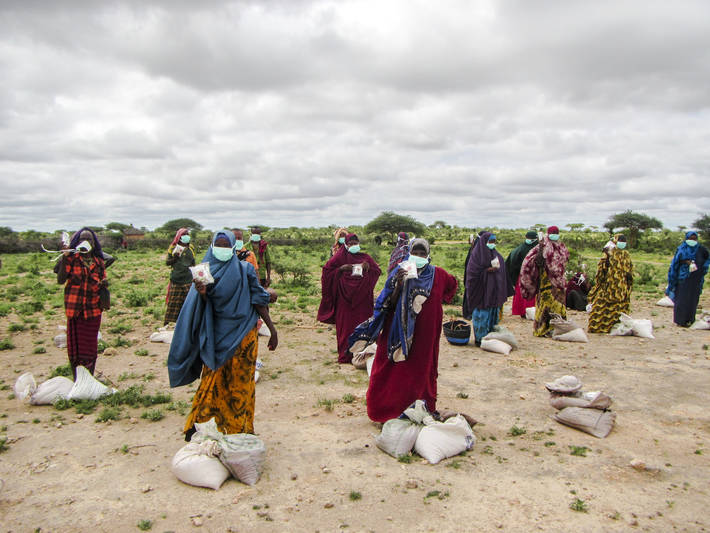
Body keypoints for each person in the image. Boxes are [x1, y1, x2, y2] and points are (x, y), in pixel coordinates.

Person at [168, 230, 278, 440]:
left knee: (241, 384)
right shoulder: (203, 272)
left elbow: (258, 300)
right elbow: (195, 308)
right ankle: (199, 425)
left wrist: (272, 330)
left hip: (244, 336)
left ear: (233, 248)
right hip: (215, 336)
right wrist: (202, 294)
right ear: (211, 246)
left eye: (227, 246)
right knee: (212, 381)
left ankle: (239, 429)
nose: (223, 249)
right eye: (219, 245)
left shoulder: (245, 269)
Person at [349, 239, 458, 422]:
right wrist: (399, 284)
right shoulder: (399, 272)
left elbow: (451, 286)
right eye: (416, 253)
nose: (419, 257)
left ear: (428, 255)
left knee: (420, 371)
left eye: (423, 254)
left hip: (426, 336)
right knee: (392, 368)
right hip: (397, 334)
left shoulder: (437, 274)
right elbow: (385, 303)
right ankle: (386, 410)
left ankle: (420, 409)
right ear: (409, 252)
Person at [317, 233, 381, 363]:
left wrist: (367, 268)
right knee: (346, 327)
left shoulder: (365, 257)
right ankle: (346, 355)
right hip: (344, 301)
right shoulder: (339, 258)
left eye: (355, 243)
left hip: (362, 300)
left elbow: (377, 271)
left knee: (363, 325)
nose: (353, 245)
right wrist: (341, 269)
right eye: (350, 243)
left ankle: (363, 353)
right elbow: (327, 272)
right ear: (345, 245)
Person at [55, 227, 107, 378]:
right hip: (75, 309)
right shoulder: (71, 259)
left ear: (93, 242)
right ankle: (78, 377)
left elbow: (102, 279)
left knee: (90, 346)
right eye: (82, 239)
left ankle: (88, 377)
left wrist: (104, 284)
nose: (86, 242)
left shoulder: (98, 261)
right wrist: (65, 256)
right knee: (75, 347)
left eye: (89, 239)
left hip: (93, 309)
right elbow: (61, 280)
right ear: (77, 242)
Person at [520, 226, 570, 337]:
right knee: (546, 306)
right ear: (548, 234)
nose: (555, 234)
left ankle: (558, 327)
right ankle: (543, 329)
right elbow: (536, 262)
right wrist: (542, 248)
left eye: (556, 232)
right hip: (547, 283)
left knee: (558, 306)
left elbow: (565, 261)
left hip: (559, 283)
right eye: (553, 233)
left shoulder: (561, 247)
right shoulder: (541, 247)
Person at [464, 232, 510, 345]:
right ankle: (480, 339)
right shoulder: (476, 257)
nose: (492, 244)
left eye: (494, 242)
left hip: (493, 292)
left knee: (492, 315)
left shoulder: (496, 255)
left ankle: (491, 337)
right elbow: (471, 275)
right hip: (481, 293)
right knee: (481, 316)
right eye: (490, 242)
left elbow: (502, 270)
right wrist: (486, 271)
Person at [587, 235, 633, 332]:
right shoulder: (609, 253)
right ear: (616, 241)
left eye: (624, 241)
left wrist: (628, 284)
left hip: (621, 288)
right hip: (609, 286)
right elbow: (601, 269)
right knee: (602, 307)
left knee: (618, 308)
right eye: (620, 241)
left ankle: (615, 328)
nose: (622, 243)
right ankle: (600, 328)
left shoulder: (626, 254)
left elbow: (630, 271)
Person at [666, 231, 710, 327]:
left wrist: (703, 268)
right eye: (690, 239)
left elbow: (707, 259)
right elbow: (675, 263)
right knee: (681, 299)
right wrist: (686, 262)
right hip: (683, 278)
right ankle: (680, 320)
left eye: (694, 239)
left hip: (695, 279)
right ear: (686, 239)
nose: (692, 241)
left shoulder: (701, 249)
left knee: (692, 299)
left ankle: (690, 319)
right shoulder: (682, 248)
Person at [164, 228, 196, 325]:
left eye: (187, 234)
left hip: (188, 279)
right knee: (174, 303)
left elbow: (193, 262)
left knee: (189, 303)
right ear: (179, 237)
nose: (186, 236)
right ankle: (169, 324)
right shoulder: (173, 248)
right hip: (176, 279)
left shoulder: (191, 248)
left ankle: (187, 323)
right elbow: (167, 263)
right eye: (184, 234)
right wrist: (175, 258)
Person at [505, 230, 538, 318]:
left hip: (521, 276)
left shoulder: (519, 249)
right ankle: (528, 312)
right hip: (530, 277)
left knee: (522, 294)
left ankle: (523, 312)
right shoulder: (535, 249)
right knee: (529, 295)